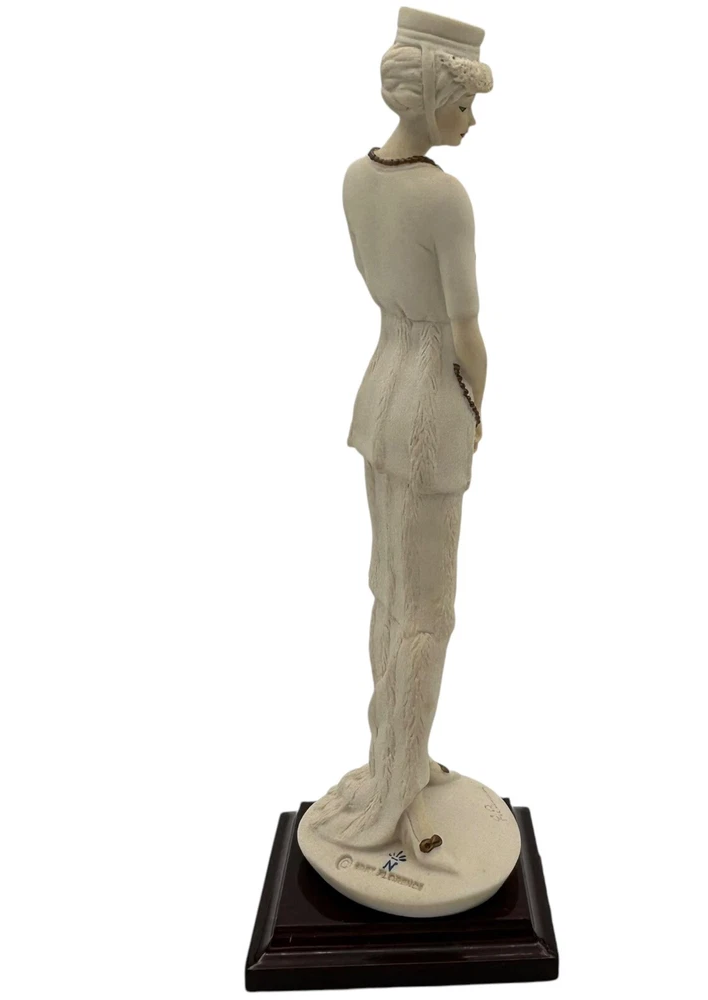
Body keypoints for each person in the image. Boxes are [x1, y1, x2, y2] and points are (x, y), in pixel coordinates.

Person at [300, 9, 493, 859]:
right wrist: (477, 412)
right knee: (428, 612)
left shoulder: (356, 180)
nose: (473, 121)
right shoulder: (443, 197)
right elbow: (465, 332)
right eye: (466, 104)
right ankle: (393, 786)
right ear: (432, 99)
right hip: (429, 409)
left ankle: (395, 757)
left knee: (389, 589)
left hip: (378, 390)